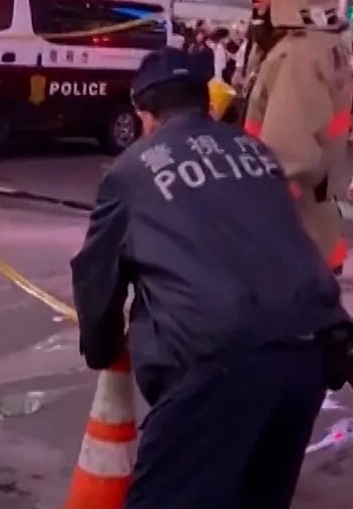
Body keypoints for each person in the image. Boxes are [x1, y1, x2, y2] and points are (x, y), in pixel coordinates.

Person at [70, 46, 350, 508]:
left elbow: (96, 273)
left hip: (216, 363)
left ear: (146, 113)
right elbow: (291, 243)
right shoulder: (255, 153)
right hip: (309, 354)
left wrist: (102, 347)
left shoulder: (133, 170)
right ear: (205, 102)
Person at [231, 0, 353, 273]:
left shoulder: (298, 54)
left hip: (283, 250)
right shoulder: (318, 43)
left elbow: (284, 165)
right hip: (310, 241)